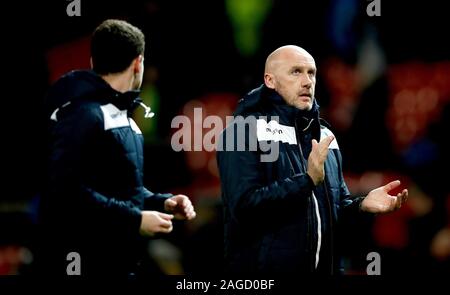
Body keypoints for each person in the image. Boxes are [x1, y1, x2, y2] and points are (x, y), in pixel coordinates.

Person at [216, 45, 408, 274]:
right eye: (296, 72)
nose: (307, 81)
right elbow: (244, 208)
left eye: (311, 73)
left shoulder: (326, 135)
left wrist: (360, 206)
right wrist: (306, 181)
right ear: (270, 80)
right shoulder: (242, 132)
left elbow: (331, 210)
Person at [37, 19, 196, 276]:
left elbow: (118, 189)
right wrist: (134, 221)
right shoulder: (82, 114)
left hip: (120, 262)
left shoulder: (124, 119)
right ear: (138, 63)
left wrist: (161, 202)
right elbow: (65, 192)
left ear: (92, 63)